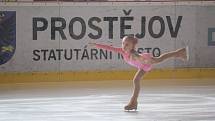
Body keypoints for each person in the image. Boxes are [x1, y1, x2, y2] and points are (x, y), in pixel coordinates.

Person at [88, 36, 189, 111]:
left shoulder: (133, 53)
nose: (124, 46)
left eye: (127, 44)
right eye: (123, 43)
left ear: (133, 46)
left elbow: (138, 57)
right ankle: (134, 103)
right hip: (142, 66)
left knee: (160, 59)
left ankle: (179, 52)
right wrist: (97, 45)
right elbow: (110, 48)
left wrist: (144, 60)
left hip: (146, 62)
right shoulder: (122, 51)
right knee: (137, 80)